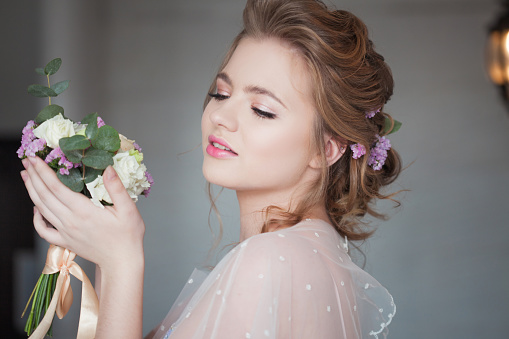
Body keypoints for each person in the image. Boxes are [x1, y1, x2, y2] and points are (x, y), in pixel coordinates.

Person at [20, 0, 402, 338]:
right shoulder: (315, 252)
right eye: (221, 93)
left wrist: (122, 261)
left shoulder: (268, 262)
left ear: (328, 148)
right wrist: (107, 243)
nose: (221, 115)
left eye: (262, 110)